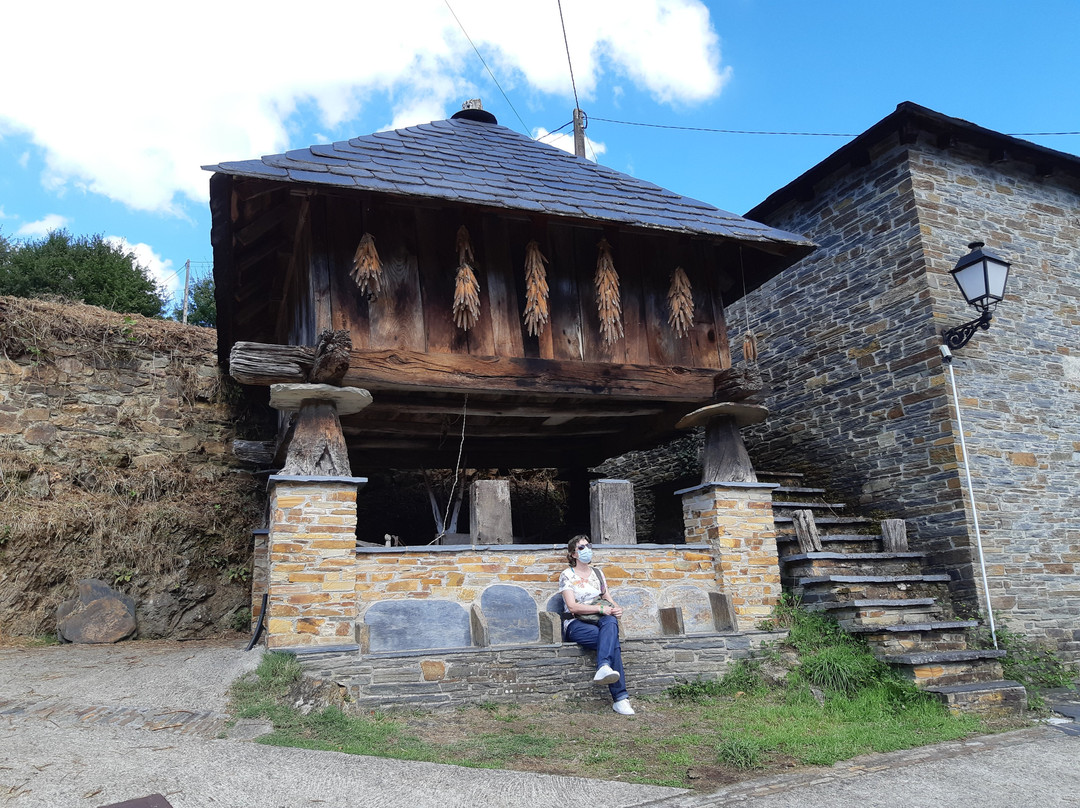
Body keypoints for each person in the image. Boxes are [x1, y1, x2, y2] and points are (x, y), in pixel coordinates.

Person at [558, 535, 634, 715]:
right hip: (576, 623)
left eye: (588, 546)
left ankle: (604, 668)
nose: (586, 550)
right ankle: (620, 698)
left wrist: (616, 609)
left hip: (600, 622)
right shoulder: (567, 575)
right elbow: (572, 606)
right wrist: (601, 609)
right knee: (612, 643)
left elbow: (608, 598)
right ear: (573, 554)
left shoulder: (598, 573)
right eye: (581, 548)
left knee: (611, 621)